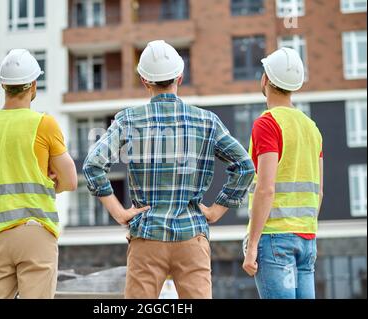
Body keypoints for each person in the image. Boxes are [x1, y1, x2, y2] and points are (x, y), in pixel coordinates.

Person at [83, 40, 255, 299]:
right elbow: (244, 166)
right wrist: (217, 209)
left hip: (147, 237)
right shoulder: (207, 121)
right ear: (180, 77)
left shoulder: (129, 119)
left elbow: (92, 166)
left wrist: (119, 213)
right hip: (192, 237)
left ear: (144, 80)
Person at [0, 49, 77, 299]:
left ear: (3, 85)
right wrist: (51, 183)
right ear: (33, 85)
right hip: (35, 233)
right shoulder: (44, 124)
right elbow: (71, 181)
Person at [242, 48, 324, 299]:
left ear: (265, 79)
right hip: (307, 239)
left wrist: (252, 244)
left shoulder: (267, 124)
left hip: (275, 239)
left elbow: (266, 188)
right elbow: (318, 191)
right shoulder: (312, 128)